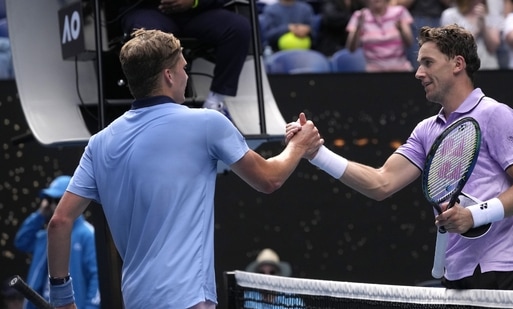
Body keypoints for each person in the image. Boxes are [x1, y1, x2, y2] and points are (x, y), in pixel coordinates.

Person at [46, 29, 322, 309]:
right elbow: (269, 179)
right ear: (168, 75)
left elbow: (59, 223)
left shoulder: (98, 143)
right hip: (188, 300)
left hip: (137, 301)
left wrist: (62, 300)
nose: (186, 76)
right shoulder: (207, 123)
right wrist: (299, 146)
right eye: (183, 68)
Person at [287, 24, 513, 290]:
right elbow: (381, 183)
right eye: (419, 63)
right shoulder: (426, 130)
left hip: (502, 270)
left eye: (428, 63)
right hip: (455, 274)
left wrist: (473, 215)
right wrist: (316, 153)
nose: (419, 73)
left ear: (457, 64)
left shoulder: (496, 114)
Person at [119, 0, 252, 117]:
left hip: (197, 12)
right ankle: (155, 107)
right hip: (149, 9)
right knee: (149, 38)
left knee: (238, 28)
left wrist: (194, 1)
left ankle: (215, 102)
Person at [14, 176, 100, 309]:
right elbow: (21, 242)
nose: (53, 205)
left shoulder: (87, 234)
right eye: (49, 200)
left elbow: (97, 278)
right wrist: (40, 214)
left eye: (57, 200)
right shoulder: (45, 236)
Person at [346, 0, 415, 72]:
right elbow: (351, 49)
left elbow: (409, 43)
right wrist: (358, 29)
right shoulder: (360, 16)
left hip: (401, 70)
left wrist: (401, 30)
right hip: (374, 73)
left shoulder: (399, 11)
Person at [440, 0, 501, 70]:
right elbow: (454, 48)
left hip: (488, 68)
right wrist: (477, 29)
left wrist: (483, 27)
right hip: (463, 70)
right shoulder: (450, 15)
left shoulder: (490, 14)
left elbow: (492, 47)